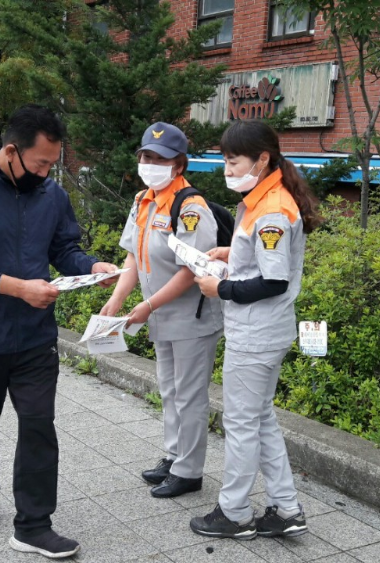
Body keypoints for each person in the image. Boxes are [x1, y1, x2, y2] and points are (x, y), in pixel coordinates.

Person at [0, 104, 118, 559]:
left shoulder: (50, 196)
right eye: (39, 163)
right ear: (11, 151)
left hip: (35, 337)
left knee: (39, 426)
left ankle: (34, 525)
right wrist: (18, 288)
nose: (45, 172)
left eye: (52, 164)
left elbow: (63, 248)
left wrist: (90, 266)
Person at [191, 119, 323, 540]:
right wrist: (235, 251)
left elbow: (274, 280)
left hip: (256, 334)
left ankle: (234, 512)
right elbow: (266, 262)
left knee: (242, 423)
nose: (227, 169)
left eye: (234, 161)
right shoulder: (263, 198)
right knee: (260, 418)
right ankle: (286, 509)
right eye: (226, 161)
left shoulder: (272, 209)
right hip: (261, 332)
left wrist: (220, 287)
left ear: (262, 159)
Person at [100, 122, 223, 498]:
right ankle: (174, 456)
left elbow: (192, 269)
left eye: (159, 158)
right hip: (158, 316)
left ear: (178, 164)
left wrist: (147, 304)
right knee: (169, 390)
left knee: (189, 394)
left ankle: (189, 471)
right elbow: (133, 256)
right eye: (145, 156)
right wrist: (117, 300)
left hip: (191, 318)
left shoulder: (190, 208)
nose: (150, 163)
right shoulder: (143, 200)